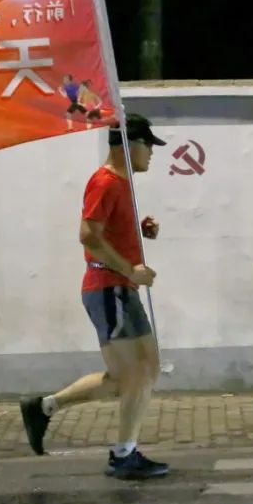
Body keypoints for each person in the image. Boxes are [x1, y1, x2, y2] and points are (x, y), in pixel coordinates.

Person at [19, 113, 170, 479]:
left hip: (121, 288)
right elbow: (88, 236)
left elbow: (107, 231)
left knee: (144, 368)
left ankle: (45, 407)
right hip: (108, 288)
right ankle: (123, 453)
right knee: (132, 373)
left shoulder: (122, 185)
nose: (151, 152)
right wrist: (130, 269)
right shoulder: (104, 182)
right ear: (129, 145)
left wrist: (139, 229)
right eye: (148, 145)